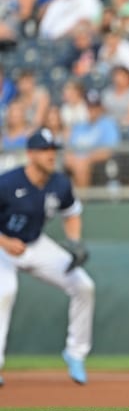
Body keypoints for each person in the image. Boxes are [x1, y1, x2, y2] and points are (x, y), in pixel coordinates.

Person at [0, 128, 95, 386]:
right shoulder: (7, 182)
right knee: (4, 292)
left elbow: (72, 212)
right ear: (30, 153)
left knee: (83, 286)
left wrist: (74, 242)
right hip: (3, 246)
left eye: (53, 149)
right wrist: (5, 241)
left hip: (35, 244)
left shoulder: (60, 183)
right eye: (45, 149)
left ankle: (75, 354)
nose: (51, 155)